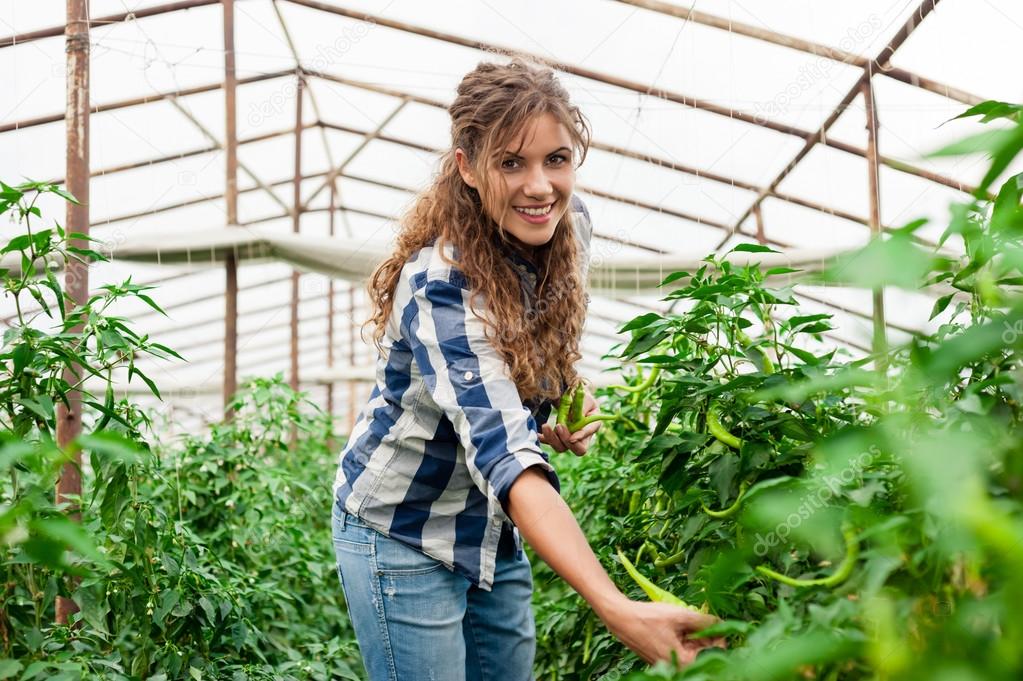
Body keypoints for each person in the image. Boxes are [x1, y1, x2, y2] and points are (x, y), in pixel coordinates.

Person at [331, 58, 718, 681]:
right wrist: (617, 609)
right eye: (511, 163)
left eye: (556, 160)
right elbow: (504, 451)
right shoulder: (441, 285)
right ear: (467, 167)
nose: (540, 187)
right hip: (403, 528)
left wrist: (563, 398)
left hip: (490, 523)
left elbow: (544, 345)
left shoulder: (571, 229)